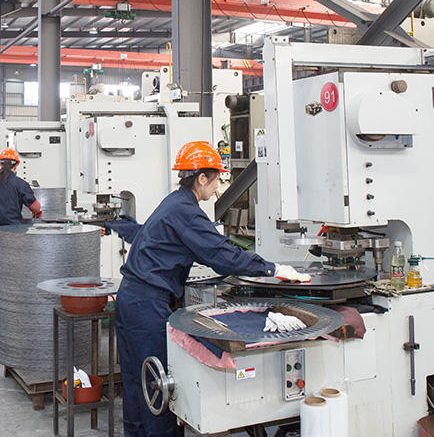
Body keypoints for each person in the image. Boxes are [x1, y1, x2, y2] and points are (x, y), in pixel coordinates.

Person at [114, 141, 311, 437]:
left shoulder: (174, 202)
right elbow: (221, 255)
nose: (218, 185)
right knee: (159, 389)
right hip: (147, 306)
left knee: (136, 383)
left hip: (130, 299)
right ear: (202, 178)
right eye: (217, 178)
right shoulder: (186, 211)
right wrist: (273, 269)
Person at [0, 148, 42, 314]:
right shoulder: (20, 183)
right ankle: (12, 305)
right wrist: (37, 213)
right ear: (16, 165)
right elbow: (35, 206)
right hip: (13, 232)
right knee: (14, 267)